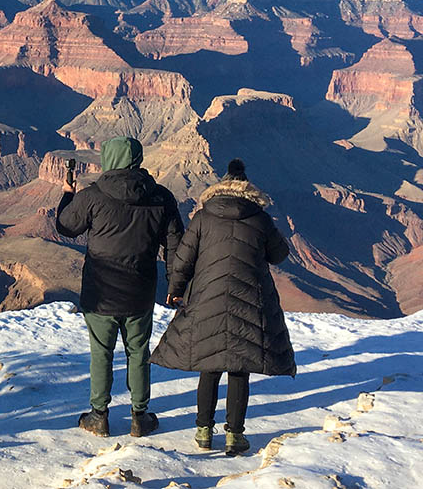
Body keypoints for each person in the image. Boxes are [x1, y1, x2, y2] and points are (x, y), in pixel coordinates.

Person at [152, 159, 296, 456]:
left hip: (208, 296)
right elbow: (279, 254)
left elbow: (183, 258)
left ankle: (203, 430)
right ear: (247, 189)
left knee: (210, 365)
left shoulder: (204, 217)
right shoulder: (260, 218)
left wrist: (175, 290)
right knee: (240, 368)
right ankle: (235, 436)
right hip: (248, 299)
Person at [56, 137, 183, 438]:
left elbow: (65, 226)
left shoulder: (92, 196)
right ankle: (140, 416)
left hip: (99, 293)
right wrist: (177, 283)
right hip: (140, 292)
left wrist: (67, 195)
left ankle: (99, 416)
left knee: (101, 353)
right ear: (138, 159)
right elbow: (176, 243)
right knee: (138, 351)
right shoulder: (161, 197)